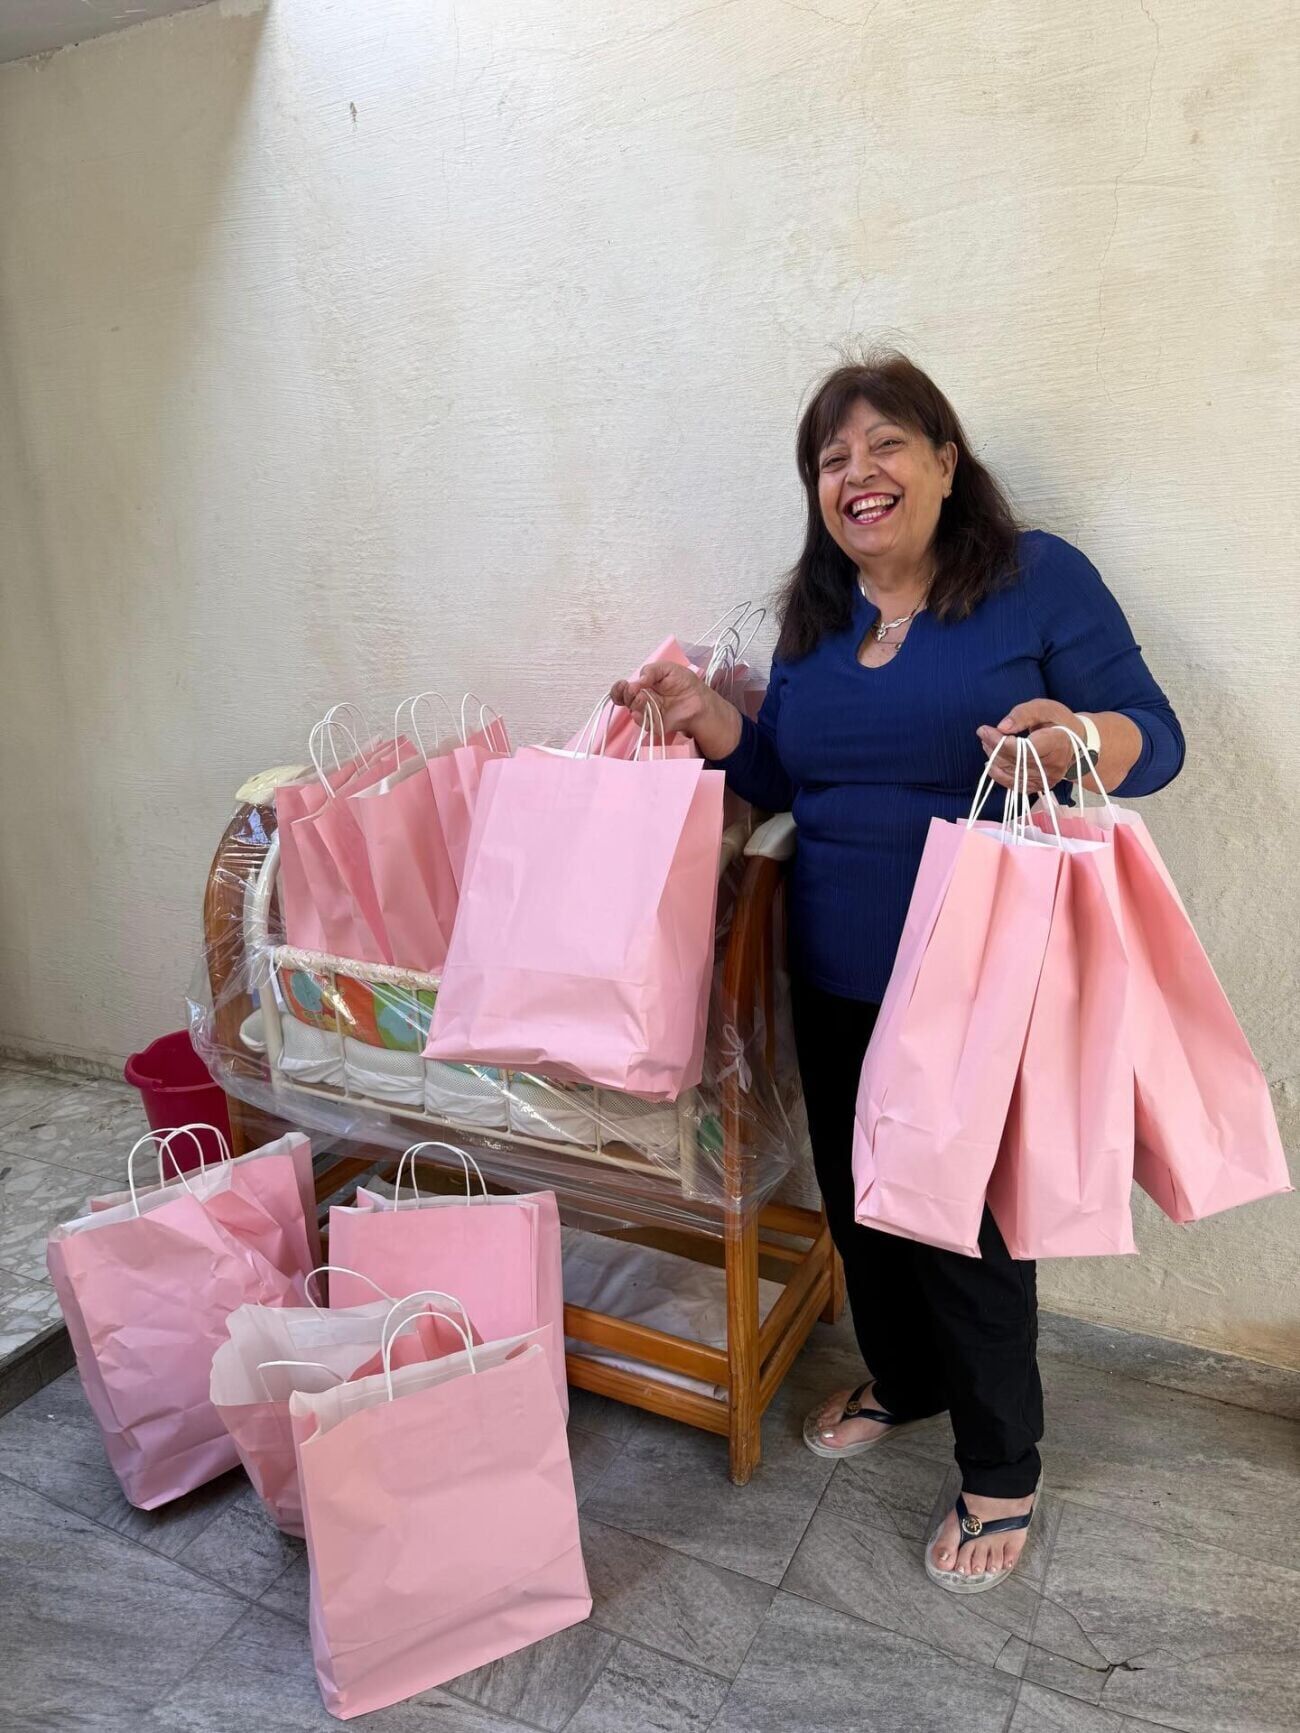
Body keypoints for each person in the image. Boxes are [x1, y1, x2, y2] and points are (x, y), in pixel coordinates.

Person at [611, 352, 1184, 1594]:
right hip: (831, 967)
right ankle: (908, 1380)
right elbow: (786, 774)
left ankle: (1002, 1465)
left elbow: (1159, 738)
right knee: (862, 1197)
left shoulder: (1035, 580)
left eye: (884, 445)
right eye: (831, 459)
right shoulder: (815, 619)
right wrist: (712, 722)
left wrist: (1078, 739)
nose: (856, 474)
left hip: (976, 977)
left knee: (968, 1231)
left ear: (944, 461)